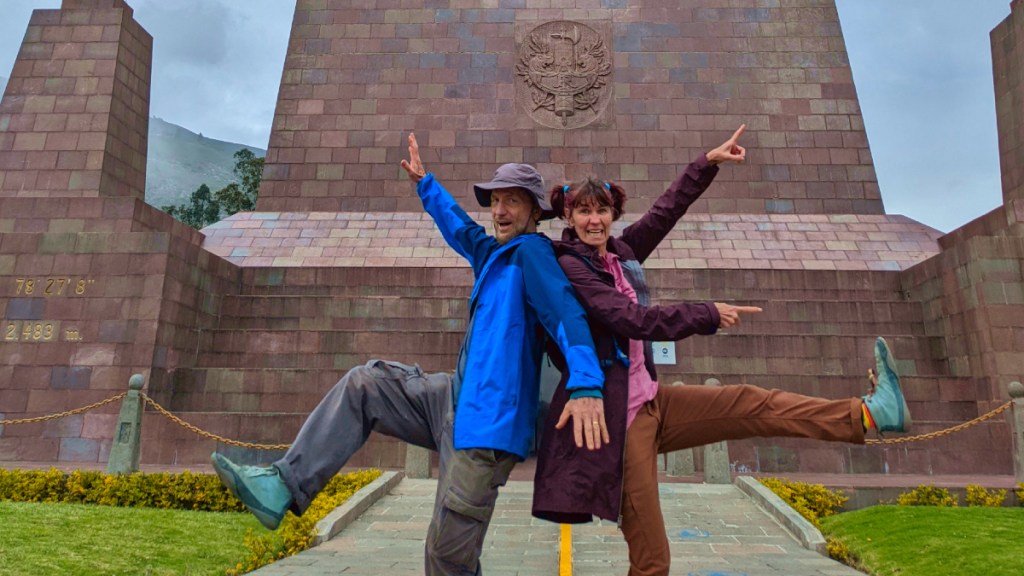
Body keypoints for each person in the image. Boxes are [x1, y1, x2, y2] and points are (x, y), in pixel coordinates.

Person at [211, 132, 609, 576]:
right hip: (451, 399)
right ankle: (283, 486)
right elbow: (458, 226)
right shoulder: (494, 254)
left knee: (446, 559)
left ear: (535, 210)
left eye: (512, 201)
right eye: (495, 200)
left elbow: (566, 316)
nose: (499, 211)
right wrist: (425, 183)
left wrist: (587, 383)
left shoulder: (533, 256)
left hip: (486, 429)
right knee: (366, 385)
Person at [531, 125, 911, 576]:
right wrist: (706, 313)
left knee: (751, 402)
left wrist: (705, 164)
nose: (594, 220)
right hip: (620, 423)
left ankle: (869, 414)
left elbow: (667, 211)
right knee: (652, 560)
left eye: (602, 211)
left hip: (652, 401)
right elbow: (630, 321)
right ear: (569, 217)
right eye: (584, 212)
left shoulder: (622, 252)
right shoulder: (572, 265)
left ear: (613, 214)